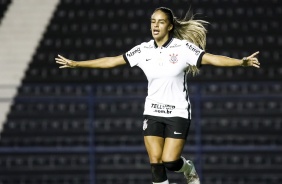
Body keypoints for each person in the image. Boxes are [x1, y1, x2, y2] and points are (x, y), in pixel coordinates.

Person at [55, 7, 260, 184]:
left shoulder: (183, 48)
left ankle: (188, 169)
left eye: (161, 22)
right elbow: (111, 61)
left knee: (170, 161)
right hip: (152, 111)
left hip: (178, 112)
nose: (155, 25)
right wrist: (77, 64)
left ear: (170, 26)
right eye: (153, 22)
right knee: (155, 162)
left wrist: (240, 62)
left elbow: (212, 59)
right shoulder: (142, 50)